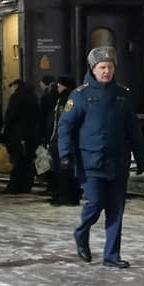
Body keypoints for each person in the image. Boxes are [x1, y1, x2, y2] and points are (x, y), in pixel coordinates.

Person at [58, 47, 144, 269]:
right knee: (96, 203)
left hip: (117, 161)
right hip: (90, 161)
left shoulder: (122, 94)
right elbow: (66, 126)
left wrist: (141, 155)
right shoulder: (80, 95)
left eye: (110, 67)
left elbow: (133, 128)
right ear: (93, 69)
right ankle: (81, 233)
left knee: (116, 209)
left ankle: (111, 256)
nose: (106, 71)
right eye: (102, 67)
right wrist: (65, 154)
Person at [2, 79, 39, 194]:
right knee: (27, 161)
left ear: (16, 86)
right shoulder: (33, 97)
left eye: (12, 86)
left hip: (17, 135)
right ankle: (26, 186)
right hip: (31, 135)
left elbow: (10, 117)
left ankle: (14, 187)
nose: (11, 89)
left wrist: (4, 133)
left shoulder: (16, 97)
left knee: (17, 162)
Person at [48, 75, 80, 206]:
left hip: (63, 140)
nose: (57, 88)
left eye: (59, 85)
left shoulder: (66, 99)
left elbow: (60, 121)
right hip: (65, 139)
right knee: (66, 169)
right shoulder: (69, 97)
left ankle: (67, 196)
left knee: (63, 170)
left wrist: (54, 139)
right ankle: (68, 196)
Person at [39, 75, 59, 147]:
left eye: (41, 85)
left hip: (48, 125)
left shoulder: (46, 97)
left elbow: (43, 114)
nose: (41, 87)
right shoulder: (58, 94)